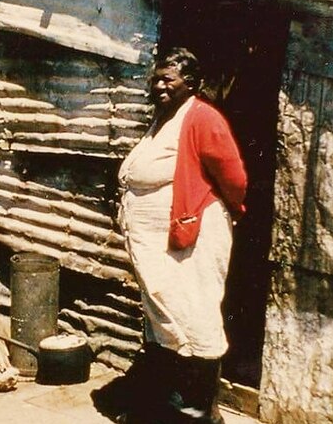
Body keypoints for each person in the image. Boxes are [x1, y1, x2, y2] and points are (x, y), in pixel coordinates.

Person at [113, 48, 248, 423]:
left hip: (193, 238)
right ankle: (167, 407)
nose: (158, 85)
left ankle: (199, 413)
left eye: (167, 79)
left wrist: (230, 210)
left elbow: (234, 177)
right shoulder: (165, 117)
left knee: (195, 312)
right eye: (155, 78)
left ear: (190, 84)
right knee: (165, 314)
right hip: (159, 243)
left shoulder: (203, 117)